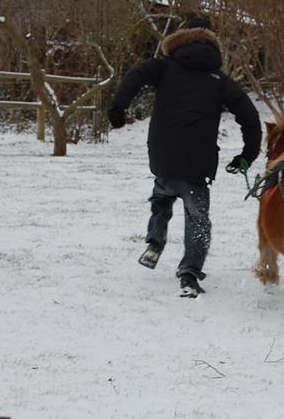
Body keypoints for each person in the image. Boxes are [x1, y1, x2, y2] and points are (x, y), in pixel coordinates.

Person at [108, 17, 262, 298]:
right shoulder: (219, 80)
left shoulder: (164, 67)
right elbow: (250, 118)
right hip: (197, 165)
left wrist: (118, 107)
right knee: (198, 220)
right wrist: (246, 156)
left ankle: (155, 243)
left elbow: (135, 75)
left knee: (161, 199)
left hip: (164, 158)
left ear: (181, 37)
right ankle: (189, 273)